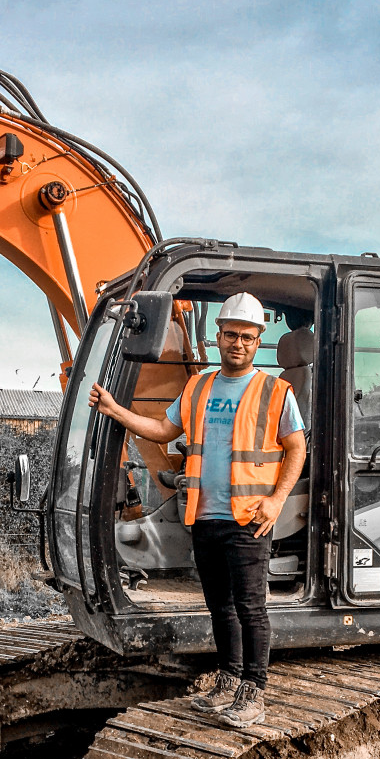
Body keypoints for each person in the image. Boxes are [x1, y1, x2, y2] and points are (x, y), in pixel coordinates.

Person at [89, 292, 307, 727]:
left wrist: (277, 499)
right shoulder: (199, 386)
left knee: (250, 608)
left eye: (247, 336)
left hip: (249, 518)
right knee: (219, 606)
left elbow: (296, 448)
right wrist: (116, 411)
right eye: (231, 335)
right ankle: (228, 679)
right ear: (219, 335)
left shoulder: (274, 391)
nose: (238, 343)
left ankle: (253, 689)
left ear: (258, 339)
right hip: (205, 516)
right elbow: (163, 429)